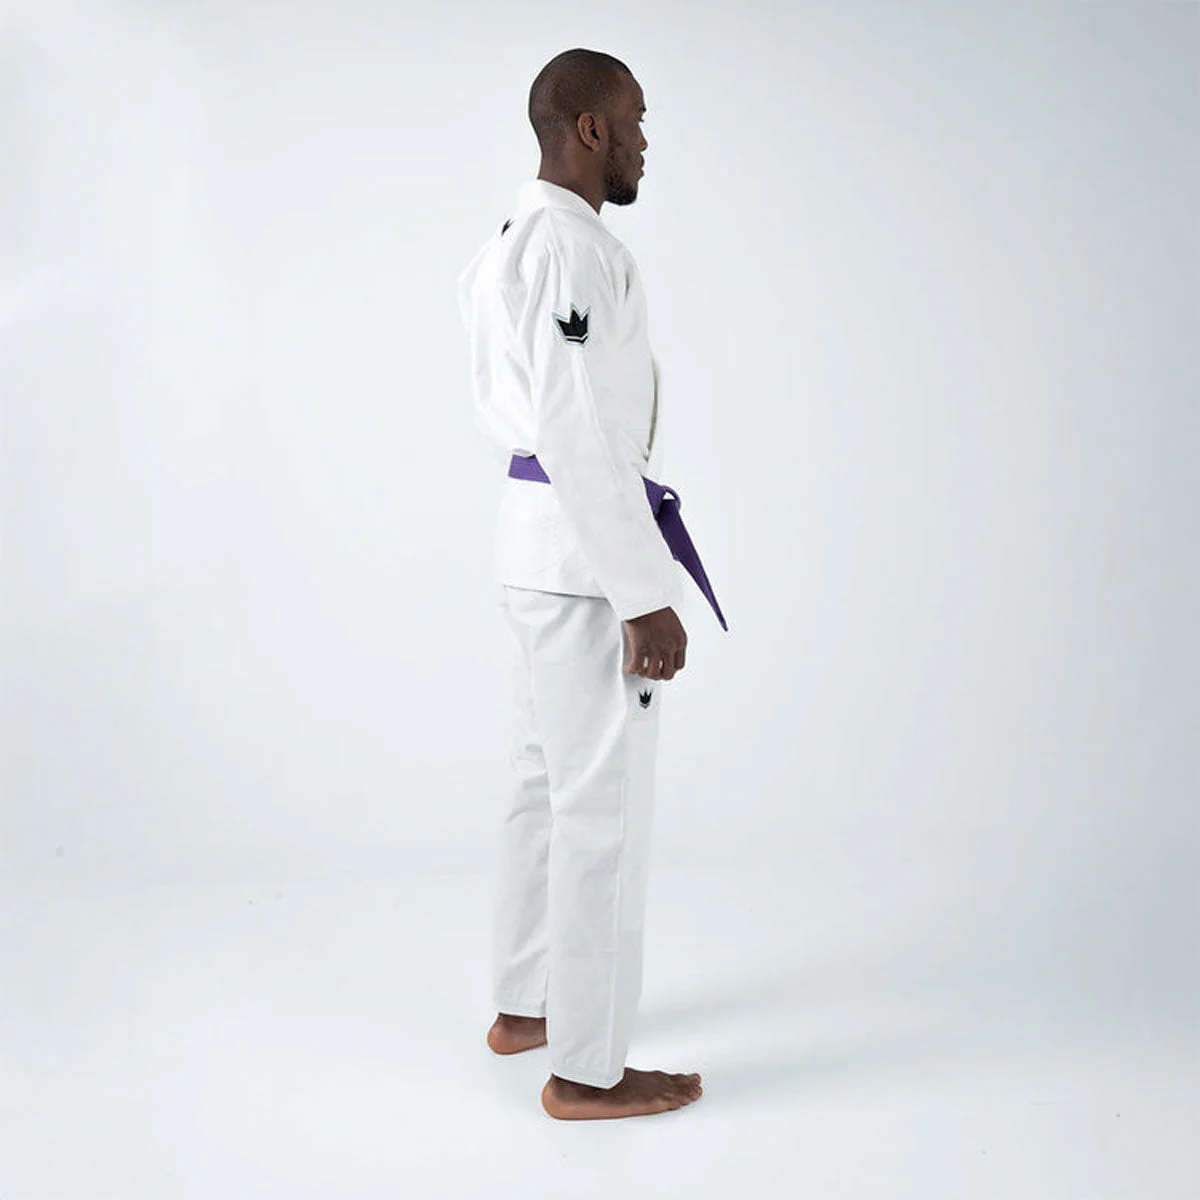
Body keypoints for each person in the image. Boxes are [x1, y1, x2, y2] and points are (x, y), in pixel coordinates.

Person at [456, 48, 706, 1120]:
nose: (645, 139)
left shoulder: (506, 243)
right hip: (580, 563)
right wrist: (642, 589)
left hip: (534, 551)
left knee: (539, 785)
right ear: (590, 128)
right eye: (636, 120)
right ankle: (588, 1069)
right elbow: (577, 431)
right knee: (599, 807)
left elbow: (541, 425)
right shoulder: (566, 248)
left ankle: (526, 1008)